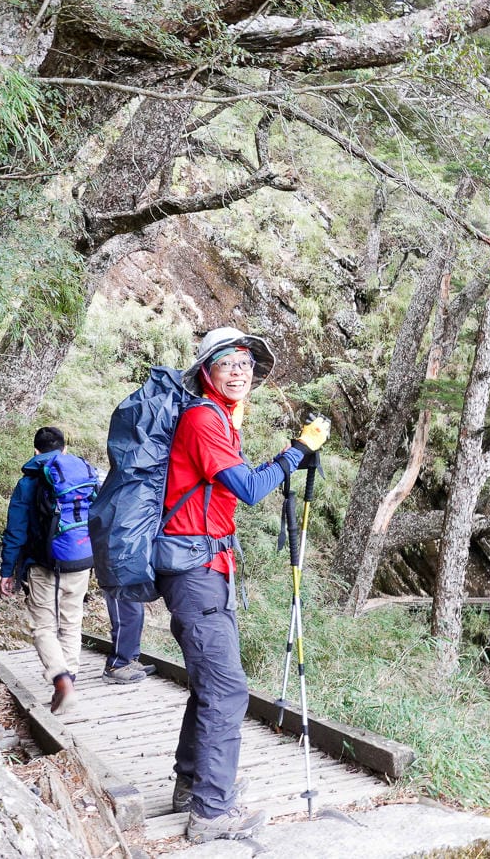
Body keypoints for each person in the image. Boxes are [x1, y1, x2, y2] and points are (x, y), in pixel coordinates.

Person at [158, 326, 328, 844]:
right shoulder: (204, 419)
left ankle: (193, 785)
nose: (239, 371)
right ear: (206, 372)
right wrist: (295, 452)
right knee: (228, 690)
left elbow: (235, 485)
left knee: (212, 682)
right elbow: (250, 489)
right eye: (227, 362)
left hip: (210, 569)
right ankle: (211, 812)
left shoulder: (220, 423)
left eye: (247, 365)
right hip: (194, 571)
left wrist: (293, 455)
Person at [0, 426, 95, 715]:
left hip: (45, 565)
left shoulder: (29, 482)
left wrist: (8, 570)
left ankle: (60, 678)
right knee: (72, 622)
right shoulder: (83, 475)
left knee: (44, 626)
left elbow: (15, 530)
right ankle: (71, 678)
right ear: (64, 449)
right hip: (81, 559)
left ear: (36, 451)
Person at [101, 594, 156, 683]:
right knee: (127, 615)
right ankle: (115, 667)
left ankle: (129, 660)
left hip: (130, 582)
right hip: (117, 583)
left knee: (138, 614)